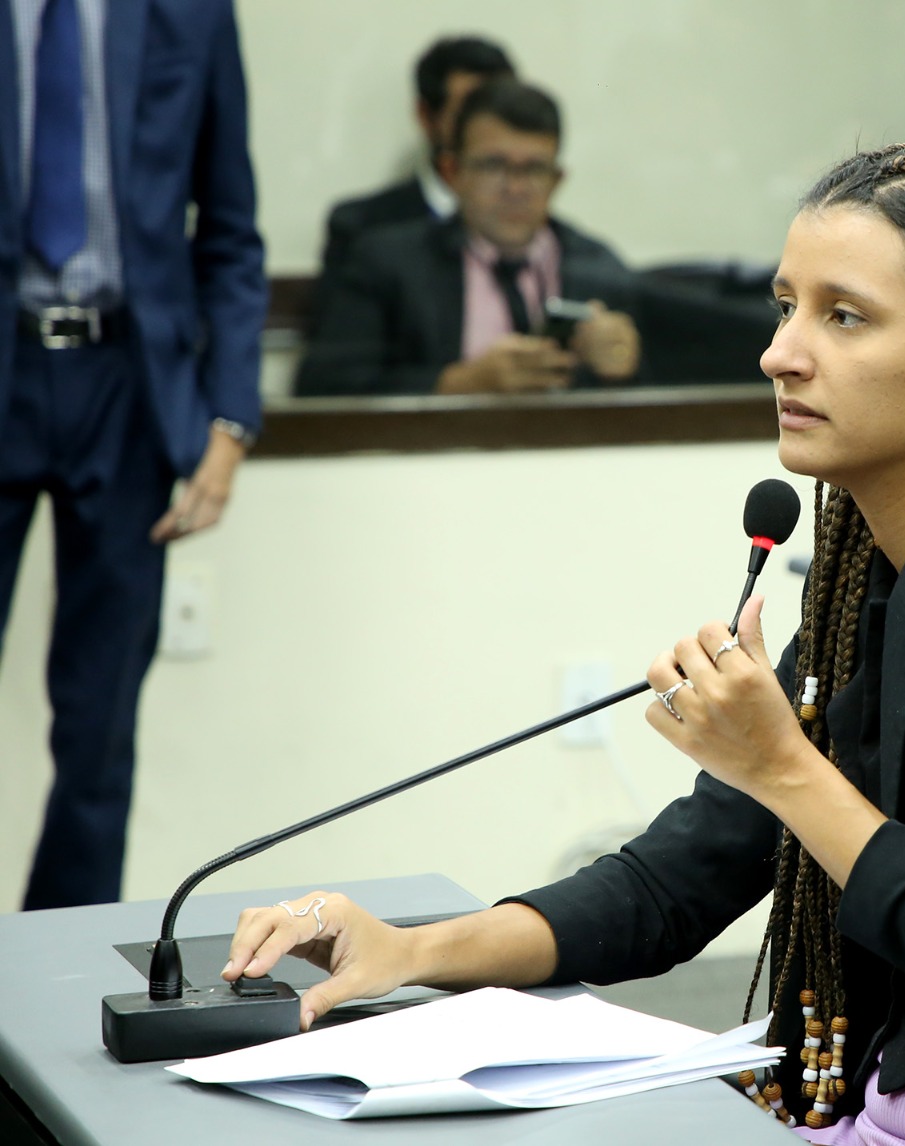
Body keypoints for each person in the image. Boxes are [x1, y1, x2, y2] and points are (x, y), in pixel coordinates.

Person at [228, 145, 905, 1144]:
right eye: (785, 306)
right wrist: (410, 951)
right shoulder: (868, 580)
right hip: (878, 1105)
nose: (780, 353)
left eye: (843, 316)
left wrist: (784, 769)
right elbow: (672, 885)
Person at [0, 0, 265, 909]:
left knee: (100, 723)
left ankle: (52, 964)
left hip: (128, 385)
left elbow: (229, 230)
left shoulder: (191, 12)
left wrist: (229, 424)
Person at [294, 79, 641, 396]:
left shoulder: (599, 268)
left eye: (534, 169)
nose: (515, 189)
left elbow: (654, 398)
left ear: (557, 180)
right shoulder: (388, 263)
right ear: (452, 173)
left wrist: (623, 365)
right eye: (494, 166)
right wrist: (457, 385)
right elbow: (322, 389)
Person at [315, 36, 515, 293]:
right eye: (469, 113)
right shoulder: (362, 228)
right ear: (425, 116)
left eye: (504, 113)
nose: (492, 131)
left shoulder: (542, 232)